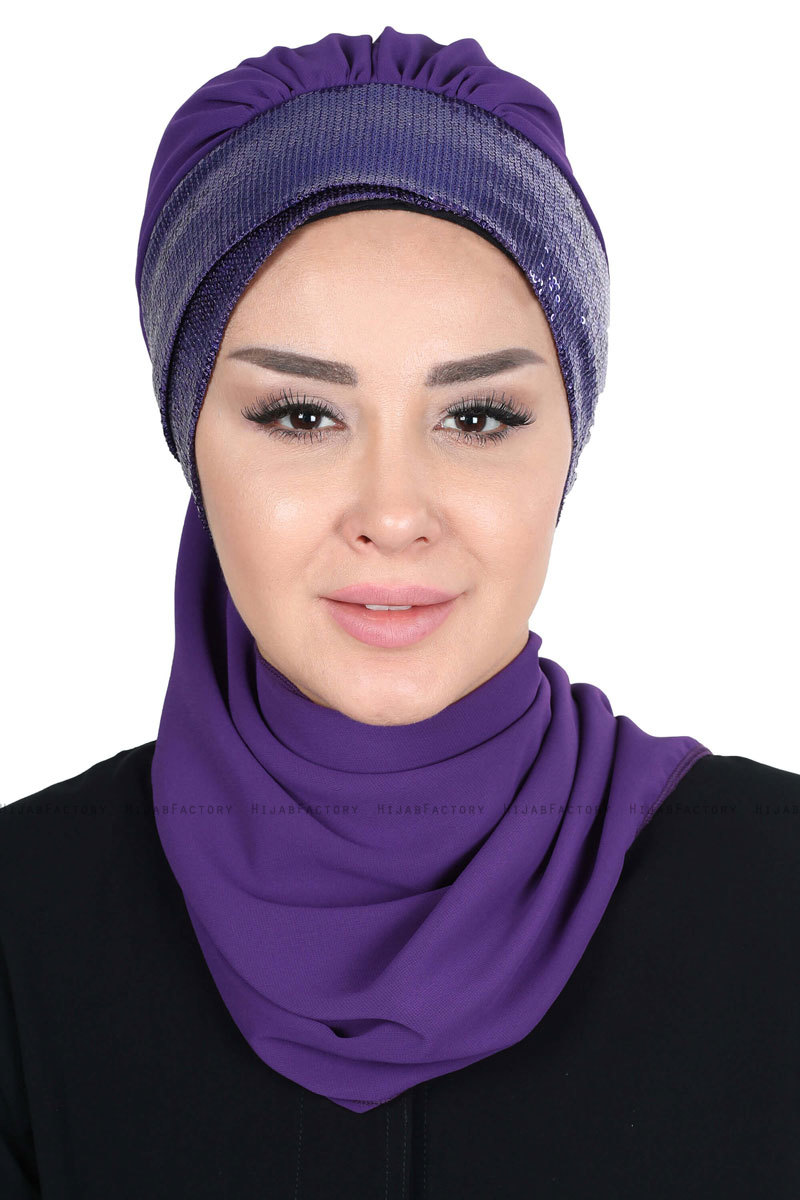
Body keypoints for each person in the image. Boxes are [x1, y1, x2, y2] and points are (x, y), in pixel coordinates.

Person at [1, 25, 797, 1200]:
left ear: (566, 448)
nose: (391, 513)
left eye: (476, 417)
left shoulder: (776, 896)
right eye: (299, 416)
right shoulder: (22, 929)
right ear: (191, 444)